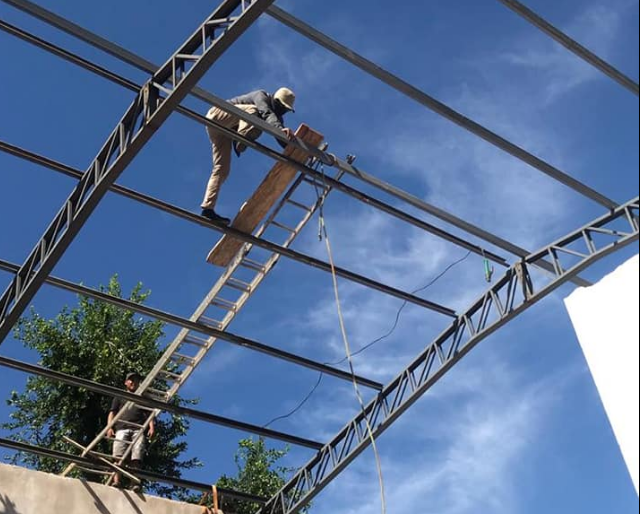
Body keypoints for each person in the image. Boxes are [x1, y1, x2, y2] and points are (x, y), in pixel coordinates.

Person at [200, 87, 297, 225]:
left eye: (286, 110)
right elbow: (267, 113)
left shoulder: (276, 117)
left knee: (222, 169)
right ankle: (242, 137)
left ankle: (207, 209)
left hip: (223, 131)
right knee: (254, 111)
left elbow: (278, 133)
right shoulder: (261, 96)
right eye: (283, 108)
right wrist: (281, 129)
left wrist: (293, 148)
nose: (283, 112)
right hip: (218, 114)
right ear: (276, 100)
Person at [107, 371, 155, 488]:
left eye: (136, 380)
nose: (134, 382)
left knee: (136, 457)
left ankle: (134, 483)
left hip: (138, 429)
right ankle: (116, 481)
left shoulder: (142, 398)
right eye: (131, 380)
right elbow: (112, 412)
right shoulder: (120, 396)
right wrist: (109, 427)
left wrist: (151, 427)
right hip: (121, 429)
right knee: (118, 456)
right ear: (126, 382)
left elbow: (149, 414)